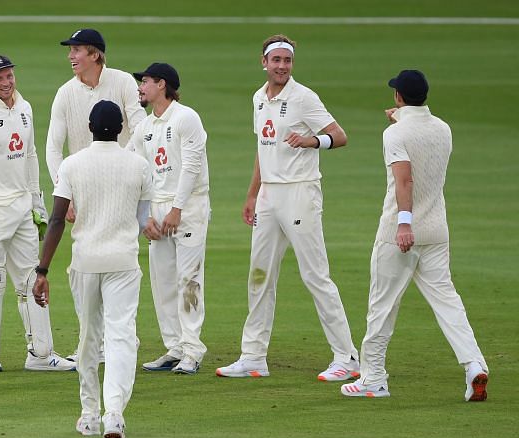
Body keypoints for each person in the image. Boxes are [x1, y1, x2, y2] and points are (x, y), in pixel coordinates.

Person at [215, 34, 360, 381]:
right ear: (263, 63)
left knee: (315, 275)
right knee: (259, 274)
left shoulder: (303, 97)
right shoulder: (258, 98)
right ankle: (253, 356)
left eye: (287, 61)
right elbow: (262, 151)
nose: (282, 66)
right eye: (276, 60)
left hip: (299, 193)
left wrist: (313, 140)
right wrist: (252, 195)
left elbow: (340, 136)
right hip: (269, 196)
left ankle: (347, 357)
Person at [341, 70, 489, 400]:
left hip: (400, 232)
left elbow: (406, 180)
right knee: (448, 303)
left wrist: (404, 224)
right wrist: (401, 122)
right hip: (436, 230)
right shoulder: (442, 129)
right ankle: (474, 365)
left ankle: (374, 378)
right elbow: (421, 148)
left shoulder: (394, 134)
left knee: (381, 306)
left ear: (398, 97)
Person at [33, 100, 152, 438]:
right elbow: (143, 221)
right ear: (120, 130)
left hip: (85, 262)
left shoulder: (72, 165)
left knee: (89, 337)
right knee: (121, 336)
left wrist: (42, 270)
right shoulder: (138, 165)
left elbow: (56, 220)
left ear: (89, 127)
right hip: (123, 263)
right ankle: (113, 413)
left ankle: (89, 415)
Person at [0, 55, 75, 372]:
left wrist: (36, 199)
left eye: (9, 76)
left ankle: (41, 354)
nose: (6, 83)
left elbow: (31, 154)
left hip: (23, 208)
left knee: (32, 278)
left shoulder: (25, 108)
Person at [47, 28, 146, 362]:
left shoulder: (122, 83)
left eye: (77, 51)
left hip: (121, 183)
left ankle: (121, 339)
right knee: (84, 261)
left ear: (96, 54)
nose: (71, 56)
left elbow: (141, 127)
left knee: (120, 255)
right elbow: (52, 146)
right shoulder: (65, 92)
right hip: (84, 184)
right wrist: (65, 191)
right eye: (70, 51)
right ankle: (96, 341)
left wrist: (124, 163)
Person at [129, 63, 210, 375]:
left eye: (145, 81)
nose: (141, 87)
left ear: (162, 84)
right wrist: (144, 216)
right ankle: (175, 346)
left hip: (188, 207)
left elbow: (191, 165)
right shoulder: (145, 125)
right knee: (163, 282)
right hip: (159, 208)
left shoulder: (186, 117)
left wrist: (177, 208)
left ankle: (193, 350)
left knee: (188, 279)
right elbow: (136, 168)